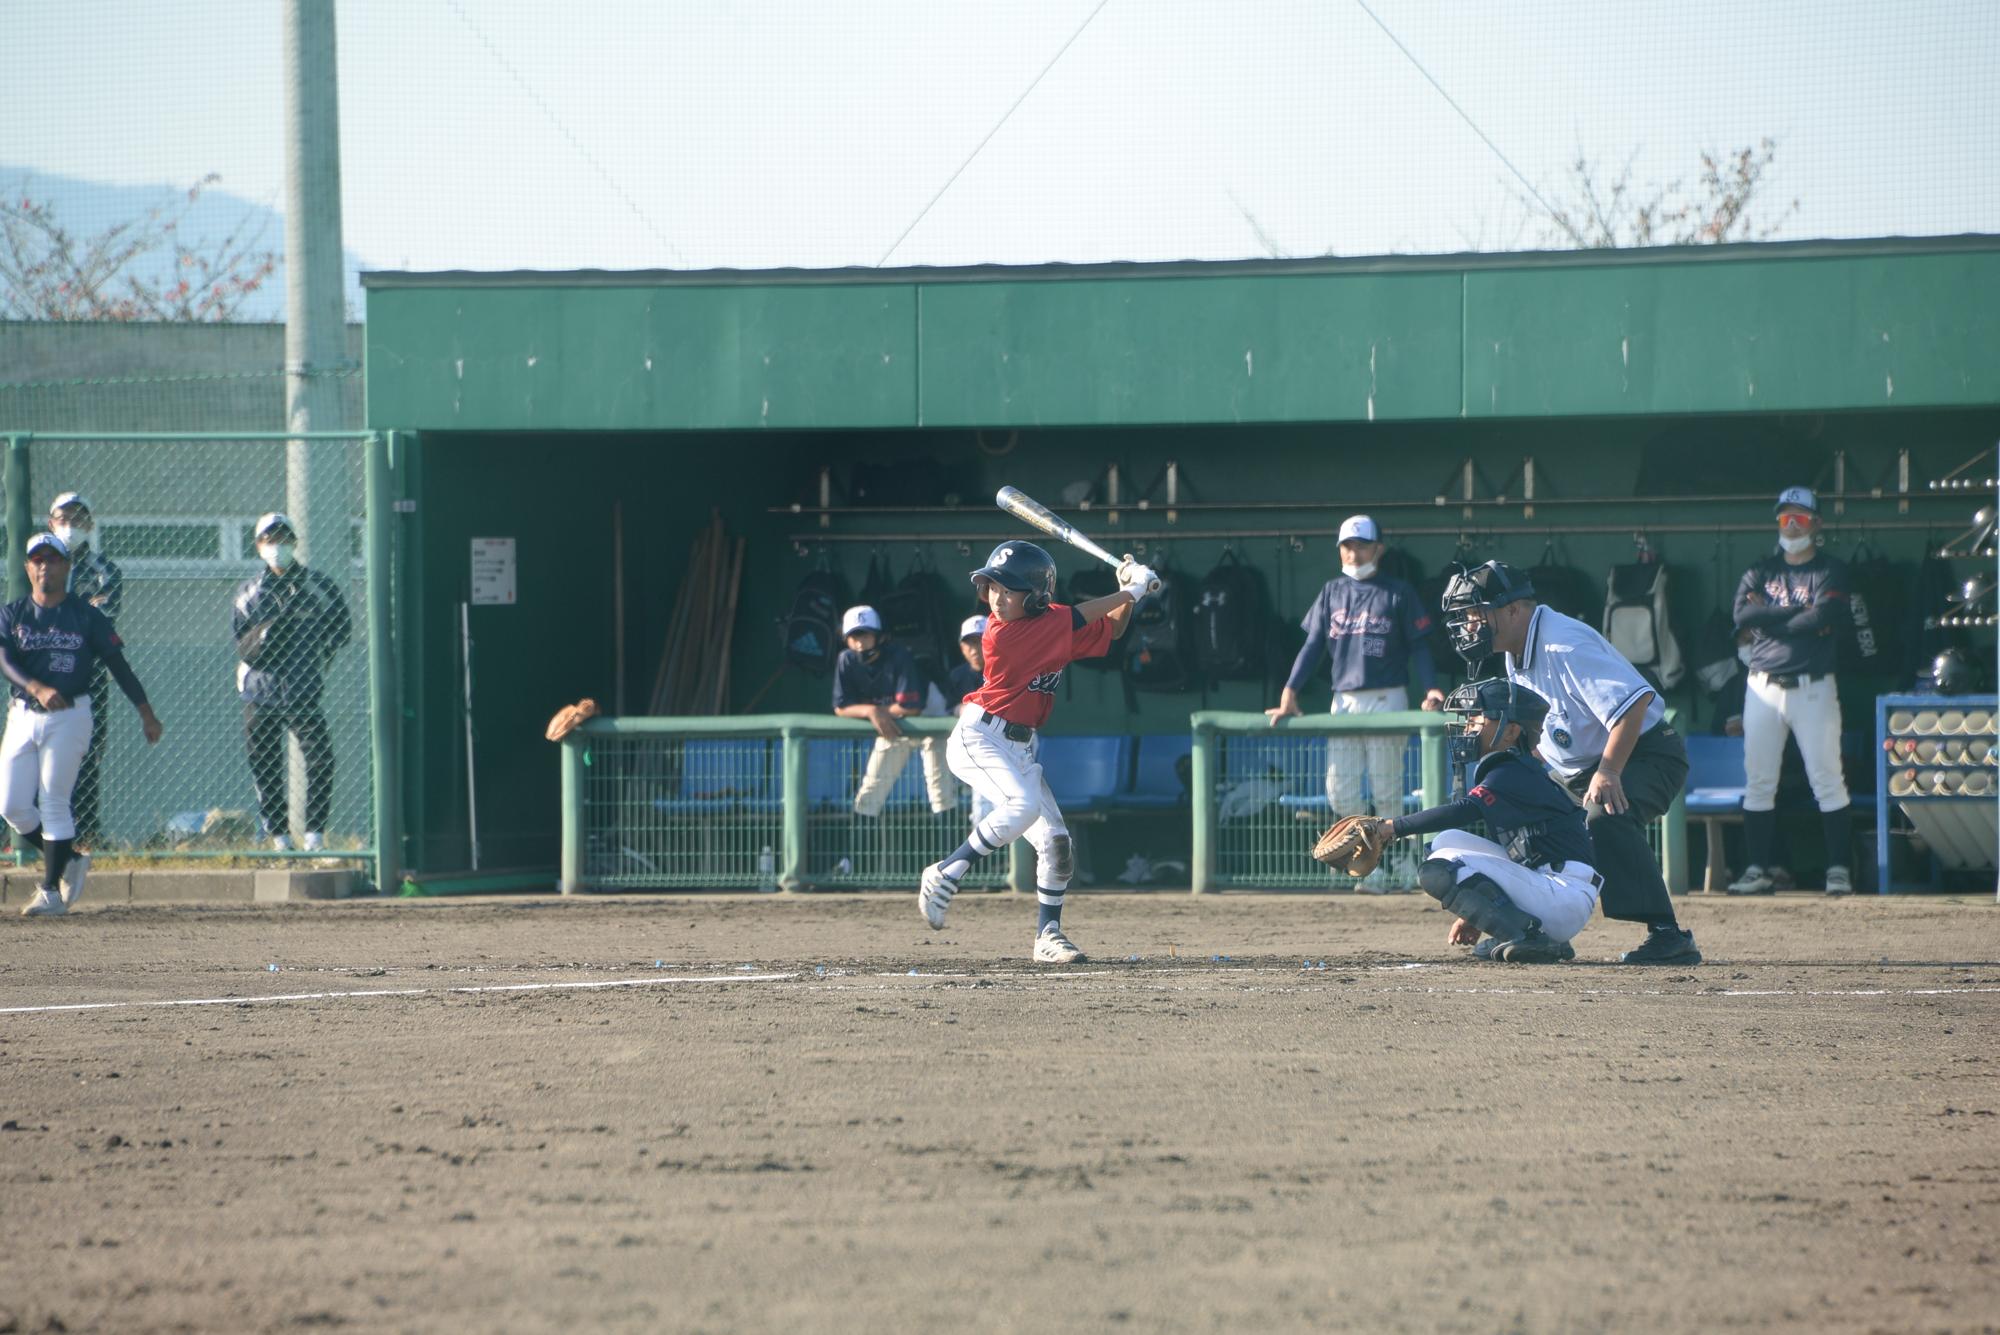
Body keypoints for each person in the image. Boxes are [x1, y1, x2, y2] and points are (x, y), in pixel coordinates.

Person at [1441, 560, 1701, 965]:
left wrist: (1610, 770)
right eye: (1468, 616)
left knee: (1606, 813)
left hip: (1645, 752)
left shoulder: (1564, 643)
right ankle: (1525, 928)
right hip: (1577, 769)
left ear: (1512, 610)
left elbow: (1634, 705)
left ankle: (1669, 934)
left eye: (1478, 614)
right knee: (1527, 820)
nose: (1471, 625)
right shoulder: (1516, 648)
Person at [919, 541, 1149, 963]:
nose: (997, 598)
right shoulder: (1002, 631)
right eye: (992, 587)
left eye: (1009, 589)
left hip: (1020, 747)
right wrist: (1133, 590)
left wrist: (1127, 595)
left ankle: (1048, 934)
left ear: (1038, 595)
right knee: (1022, 805)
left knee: (1057, 843)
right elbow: (1081, 615)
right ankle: (947, 870)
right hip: (979, 738)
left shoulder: (1051, 627)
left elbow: (1111, 630)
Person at [1360, 678, 1601, 962]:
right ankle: (1528, 933)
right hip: (1552, 888)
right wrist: (1483, 912)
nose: (1469, 726)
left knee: (1438, 869)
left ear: (1512, 731)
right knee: (1445, 842)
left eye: (1478, 718)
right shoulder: (1515, 769)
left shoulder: (1511, 771)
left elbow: (1463, 810)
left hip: (1561, 895)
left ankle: (1528, 935)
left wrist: (1391, 828)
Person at [1266, 514, 1444, 888]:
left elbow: (1419, 647)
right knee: (1340, 788)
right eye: (1347, 545)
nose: (1353, 552)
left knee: (1386, 788)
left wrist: (1431, 689)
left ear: (1378, 548)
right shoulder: (1331, 591)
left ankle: (1402, 861)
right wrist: (1289, 692)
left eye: (1362, 544)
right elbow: (1312, 647)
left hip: (1386, 696)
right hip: (1343, 700)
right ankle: (1368, 864)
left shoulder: (1398, 591)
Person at [5, 533, 164, 916]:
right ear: (28, 567)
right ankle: (71, 860)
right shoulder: (13, 614)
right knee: (10, 805)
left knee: (54, 800)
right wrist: (36, 687)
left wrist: (145, 710)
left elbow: (118, 665)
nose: (45, 565)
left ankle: (51, 893)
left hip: (70, 716)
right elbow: (4, 660)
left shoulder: (86, 615)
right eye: (37, 559)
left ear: (67, 567)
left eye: (54, 559)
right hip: (24, 714)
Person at [1727, 486, 1857, 896]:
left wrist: (1769, 618)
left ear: (1817, 523)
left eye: (1801, 516)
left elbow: (1828, 612)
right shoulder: (1760, 569)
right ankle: (1757, 869)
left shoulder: (1831, 569)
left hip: (1813, 687)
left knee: (1827, 780)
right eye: (1786, 517)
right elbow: (1742, 615)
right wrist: (1796, 614)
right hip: (1763, 686)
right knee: (1759, 780)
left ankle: (1838, 869)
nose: (1794, 524)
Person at [233, 512, 351, 852]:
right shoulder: (248, 594)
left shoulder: (320, 587)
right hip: (259, 693)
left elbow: (341, 630)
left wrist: (317, 658)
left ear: (295, 543)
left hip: (303, 691)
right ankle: (279, 838)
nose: (277, 546)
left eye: (284, 539)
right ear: (258, 546)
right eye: (270, 540)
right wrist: (265, 638)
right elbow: (241, 642)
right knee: (265, 764)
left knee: (320, 759)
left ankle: (314, 834)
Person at [47, 492, 124, 849]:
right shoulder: (38, 563)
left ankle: (87, 832)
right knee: (36, 750)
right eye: (63, 518)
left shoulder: (105, 570)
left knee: (88, 752)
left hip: (89, 675)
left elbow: (99, 620)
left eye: (78, 519)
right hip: (42, 675)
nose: (70, 525)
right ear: (51, 523)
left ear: (90, 526)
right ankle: (30, 835)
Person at [832, 605, 954, 817]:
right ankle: (860, 850)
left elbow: (912, 708)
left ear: (879, 636)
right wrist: (871, 711)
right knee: (872, 787)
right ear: (845, 638)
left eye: (865, 635)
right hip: (892, 718)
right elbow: (841, 708)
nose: (860, 642)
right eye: (854, 636)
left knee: (939, 784)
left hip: (930, 714)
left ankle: (951, 847)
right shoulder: (846, 659)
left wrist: (876, 711)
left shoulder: (899, 655)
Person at [944, 614, 987, 713]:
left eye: (979, 641)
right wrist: (962, 709)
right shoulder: (956, 676)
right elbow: (950, 708)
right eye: (969, 643)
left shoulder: (1005, 672)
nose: (974, 649)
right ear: (962, 647)